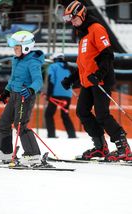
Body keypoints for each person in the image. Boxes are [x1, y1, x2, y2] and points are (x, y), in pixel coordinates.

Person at [62, 1, 132, 161]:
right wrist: (71, 79)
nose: (72, 22)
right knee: (82, 111)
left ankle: (124, 147)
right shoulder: (82, 34)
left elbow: (107, 55)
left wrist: (99, 75)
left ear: (81, 14)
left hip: (101, 80)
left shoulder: (96, 28)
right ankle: (101, 147)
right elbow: (83, 63)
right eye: (70, 20)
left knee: (102, 114)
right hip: (88, 81)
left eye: (73, 18)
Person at [0, 30, 45, 166]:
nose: (14, 50)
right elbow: (13, 79)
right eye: (14, 47)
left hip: (25, 96)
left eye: (17, 47)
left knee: (20, 125)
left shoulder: (33, 62)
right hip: (14, 96)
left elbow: (39, 81)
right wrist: (6, 91)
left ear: (26, 47)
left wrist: (30, 89)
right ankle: (5, 152)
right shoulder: (16, 60)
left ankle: (33, 154)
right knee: (3, 123)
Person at [45, 52, 77, 138]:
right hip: (67, 94)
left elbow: (51, 80)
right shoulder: (69, 68)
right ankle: (72, 135)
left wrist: (49, 94)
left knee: (49, 114)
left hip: (55, 94)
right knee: (65, 115)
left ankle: (51, 135)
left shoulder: (53, 66)